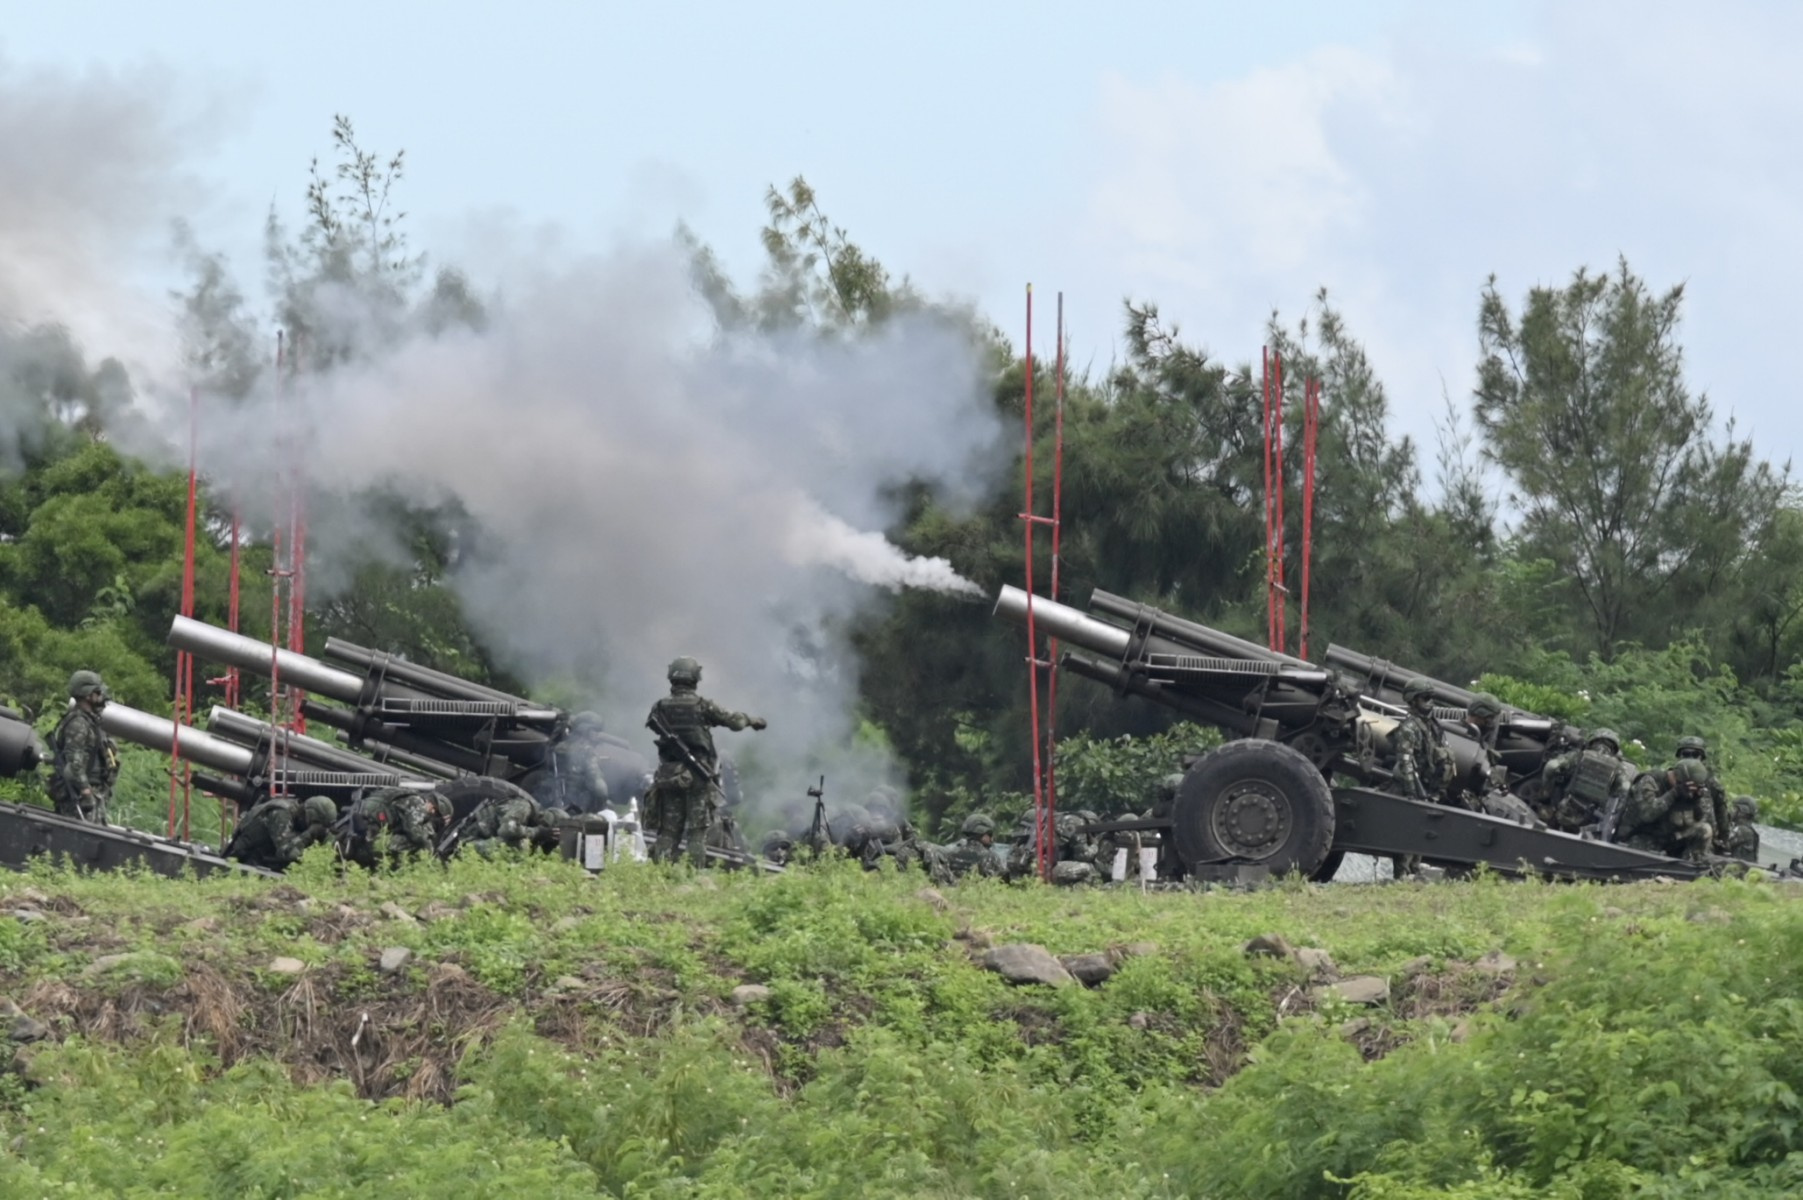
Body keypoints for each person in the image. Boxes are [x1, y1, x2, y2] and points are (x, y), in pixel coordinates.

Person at [644, 656, 766, 867]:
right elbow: (735, 722)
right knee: (696, 832)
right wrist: (752, 720)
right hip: (696, 776)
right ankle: (692, 878)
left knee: (668, 831)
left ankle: (659, 876)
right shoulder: (702, 706)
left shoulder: (660, 707)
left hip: (669, 775)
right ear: (695, 678)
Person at [47, 670, 119, 823]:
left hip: (93, 795)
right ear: (87, 695)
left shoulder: (91, 721)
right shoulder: (78, 723)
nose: (101, 696)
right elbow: (74, 764)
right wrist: (86, 793)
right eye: (97, 692)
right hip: (80, 800)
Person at [1616, 758, 1714, 861]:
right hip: (1640, 835)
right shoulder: (1650, 781)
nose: (1690, 791)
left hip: (1668, 837)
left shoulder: (1686, 791)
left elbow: (1700, 818)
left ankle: (1689, 866)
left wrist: (1695, 801)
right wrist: (1674, 793)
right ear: (1678, 777)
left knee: (1704, 829)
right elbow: (1647, 814)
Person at [1542, 728, 1634, 834]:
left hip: (1566, 810)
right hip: (1591, 819)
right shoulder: (1618, 767)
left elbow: (1551, 766)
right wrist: (1615, 802)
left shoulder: (1579, 755)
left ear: (1593, 741)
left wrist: (1546, 791)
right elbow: (1625, 787)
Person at [342, 786, 448, 868]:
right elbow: (416, 835)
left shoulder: (407, 797)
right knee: (422, 843)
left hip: (366, 838)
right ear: (430, 803)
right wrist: (431, 828)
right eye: (434, 810)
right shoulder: (417, 802)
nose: (432, 814)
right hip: (374, 843)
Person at [226, 794, 338, 871]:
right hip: (246, 859)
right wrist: (310, 833)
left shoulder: (298, 818)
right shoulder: (281, 814)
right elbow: (286, 853)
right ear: (311, 817)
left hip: (265, 860)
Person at [1674, 736, 1731, 851]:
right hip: (1672, 837)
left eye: (1695, 755)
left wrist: (1723, 841)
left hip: (1702, 841)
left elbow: (1722, 817)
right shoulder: (1670, 777)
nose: (1690, 758)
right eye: (1686, 754)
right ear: (1679, 756)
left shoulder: (1712, 784)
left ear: (1702, 758)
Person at [942, 812, 1003, 881]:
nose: (991, 839)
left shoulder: (952, 852)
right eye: (989, 834)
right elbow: (1002, 881)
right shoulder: (990, 856)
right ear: (982, 833)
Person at [1723, 795, 1760, 862]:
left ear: (1742, 813)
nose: (1731, 811)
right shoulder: (1745, 829)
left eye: (1734, 808)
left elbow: (1724, 845)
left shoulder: (1742, 830)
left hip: (1739, 868)